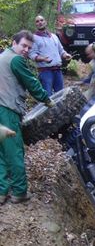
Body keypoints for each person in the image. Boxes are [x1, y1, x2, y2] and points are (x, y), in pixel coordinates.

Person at [0, 30, 53, 205]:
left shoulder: (3, 56)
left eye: (29, 48)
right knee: (14, 151)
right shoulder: (15, 60)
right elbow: (31, 82)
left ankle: (2, 191)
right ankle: (19, 192)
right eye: (23, 45)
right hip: (7, 110)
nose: (25, 50)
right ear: (14, 43)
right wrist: (46, 99)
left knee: (1, 152)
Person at [29, 15, 72, 96]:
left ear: (45, 22)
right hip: (45, 71)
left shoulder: (54, 36)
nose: (40, 22)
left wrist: (65, 55)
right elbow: (32, 54)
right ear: (35, 24)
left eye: (41, 20)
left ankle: (61, 109)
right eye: (37, 21)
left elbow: (61, 50)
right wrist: (42, 59)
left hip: (58, 70)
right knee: (48, 96)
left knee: (61, 95)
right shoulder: (34, 38)